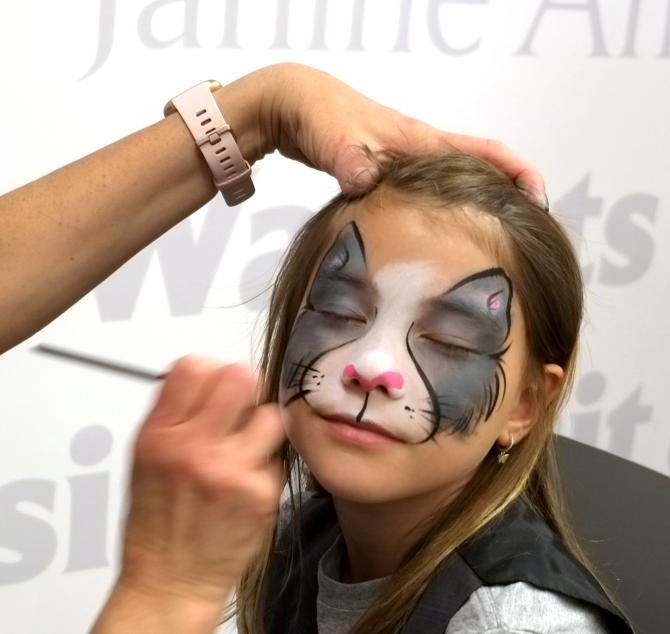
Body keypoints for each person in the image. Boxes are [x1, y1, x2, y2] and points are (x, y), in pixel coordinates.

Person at [0, 1, 545, 632]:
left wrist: (257, 110)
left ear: (528, 406)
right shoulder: (297, 558)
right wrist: (166, 594)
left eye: (445, 336)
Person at [227, 152, 634, 633]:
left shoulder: (508, 626)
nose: (373, 367)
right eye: (339, 311)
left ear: (524, 405)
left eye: (448, 342)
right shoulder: (290, 537)